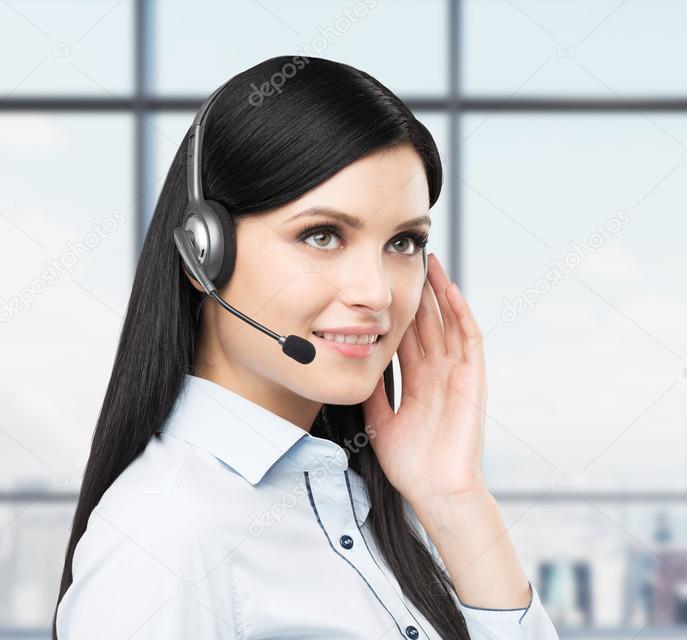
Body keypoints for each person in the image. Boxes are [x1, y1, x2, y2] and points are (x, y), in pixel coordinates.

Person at [52, 56, 560, 640]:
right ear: (203, 252)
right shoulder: (162, 535)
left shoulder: (385, 503)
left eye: (403, 241)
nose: (375, 292)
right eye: (322, 236)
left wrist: (455, 500)